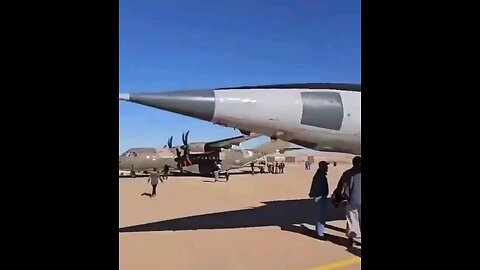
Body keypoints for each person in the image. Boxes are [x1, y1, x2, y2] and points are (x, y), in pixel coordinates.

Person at [308, 161, 330, 240]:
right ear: (322, 166)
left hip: (321, 197)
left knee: (321, 215)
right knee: (320, 215)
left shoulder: (320, 175)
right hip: (319, 197)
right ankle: (319, 234)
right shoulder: (320, 175)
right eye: (326, 166)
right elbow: (316, 186)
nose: (327, 168)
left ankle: (320, 232)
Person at [346, 169, 361, 247]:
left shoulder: (348, 173)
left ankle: (352, 238)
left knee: (352, 220)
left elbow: (345, 187)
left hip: (352, 200)